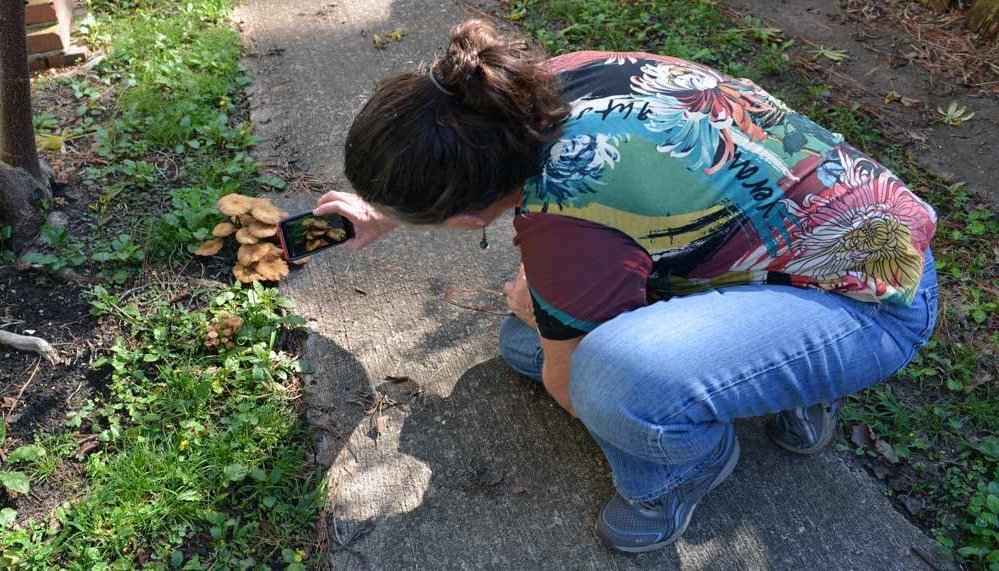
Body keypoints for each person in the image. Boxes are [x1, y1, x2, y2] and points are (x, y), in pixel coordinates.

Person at [315, 20, 938, 553]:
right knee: (524, 346)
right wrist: (381, 210)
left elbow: (572, 384)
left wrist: (546, 314)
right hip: (832, 231)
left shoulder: (564, 213)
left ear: (467, 218)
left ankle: (686, 468)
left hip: (873, 299)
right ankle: (770, 376)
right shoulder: (530, 91)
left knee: (608, 379)